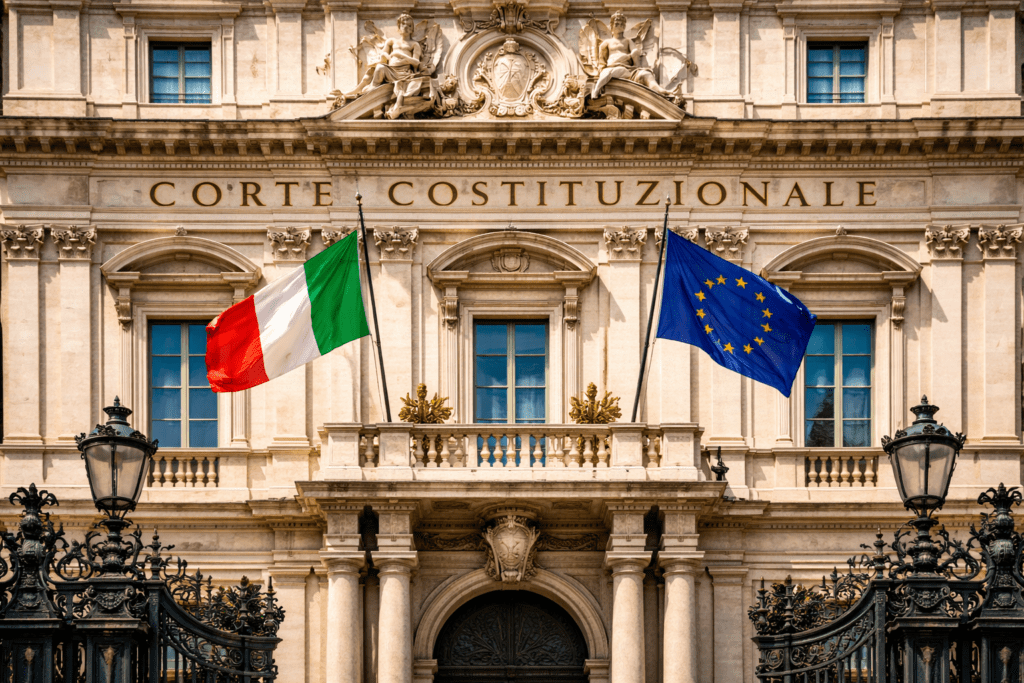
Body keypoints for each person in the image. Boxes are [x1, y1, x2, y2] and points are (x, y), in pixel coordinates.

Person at [345, 13, 424, 114]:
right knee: (379, 68)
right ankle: (367, 95)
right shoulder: (392, 41)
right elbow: (383, 54)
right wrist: (388, 56)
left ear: (412, 29)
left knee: (381, 68)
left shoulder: (414, 44)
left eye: (409, 25)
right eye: (403, 24)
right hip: (390, 70)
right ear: (399, 26)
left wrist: (402, 56)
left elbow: (416, 62)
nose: (406, 27)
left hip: (404, 72)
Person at [592, 11, 680, 101]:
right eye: (617, 23)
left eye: (622, 23)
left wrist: (634, 55)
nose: (620, 25)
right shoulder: (606, 43)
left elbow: (636, 62)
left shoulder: (628, 41)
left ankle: (658, 90)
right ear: (611, 26)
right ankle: (596, 90)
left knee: (646, 74)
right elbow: (602, 62)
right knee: (608, 72)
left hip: (627, 70)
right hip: (612, 68)